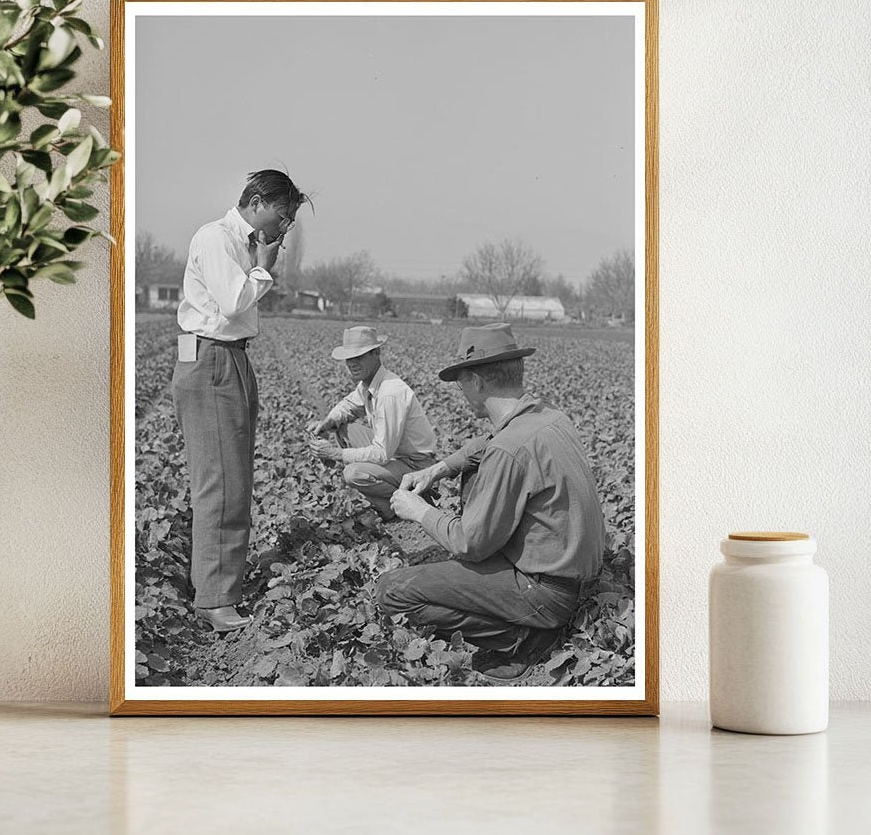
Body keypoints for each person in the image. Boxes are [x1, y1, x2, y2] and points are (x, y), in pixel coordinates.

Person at [378, 323, 605, 683]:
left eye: (461, 383)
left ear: (477, 382)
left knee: (392, 591)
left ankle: (518, 638)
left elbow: (469, 543)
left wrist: (418, 511)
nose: (461, 391)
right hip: (580, 579)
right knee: (474, 478)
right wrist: (437, 469)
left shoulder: (508, 450)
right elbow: (484, 445)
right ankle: (526, 618)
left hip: (546, 594)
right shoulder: (548, 417)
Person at [172, 169, 310, 633]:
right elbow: (233, 302)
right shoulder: (218, 238)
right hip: (212, 359)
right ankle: (214, 600)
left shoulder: (243, 243)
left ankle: (216, 586)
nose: (285, 226)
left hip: (228, 358)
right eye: (283, 215)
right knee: (222, 483)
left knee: (233, 478)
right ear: (256, 202)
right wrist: (264, 266)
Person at [308, 327, 437, 521]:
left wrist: (335, 453)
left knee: (353, 473)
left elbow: (382, 453)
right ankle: (384, 494)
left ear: (376, 353)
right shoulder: (369, 383)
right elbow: (348, 405)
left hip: (415, 465)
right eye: (349, 358)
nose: (352, 363)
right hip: (396, 454)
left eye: (358, 356)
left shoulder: (389, 393)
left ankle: (403, 502)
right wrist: (327, 422)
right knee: (344, 427)